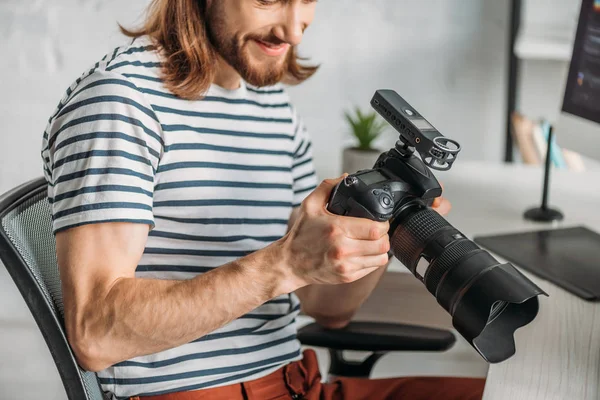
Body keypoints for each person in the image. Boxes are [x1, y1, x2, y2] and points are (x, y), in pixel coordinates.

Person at [41, 0, 485, 399]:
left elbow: (326, 309)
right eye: (269, 1)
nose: (293, 32)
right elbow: (94, 334)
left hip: (296, 383)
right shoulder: (120, 101)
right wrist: (285, 263)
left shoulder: (272, 106)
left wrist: (381, 230)